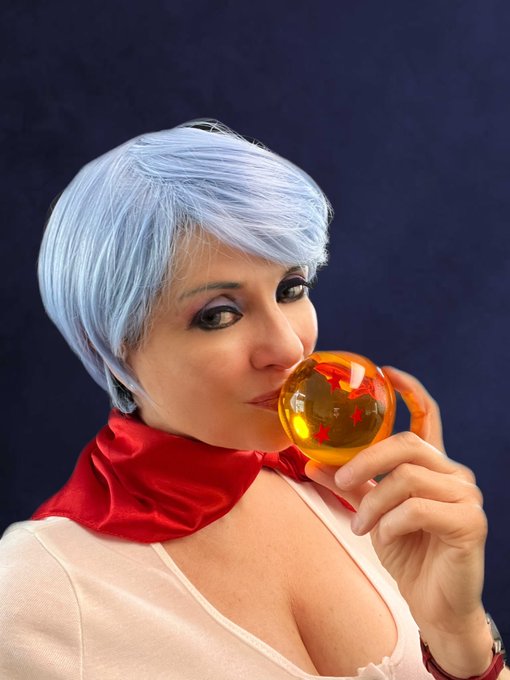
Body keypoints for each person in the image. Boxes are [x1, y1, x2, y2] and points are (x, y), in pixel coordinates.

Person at [0, 120, 507, 680]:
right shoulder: (37, 590)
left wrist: (460, 638)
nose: (288, 348)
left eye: (291, 289)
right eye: (219, 314)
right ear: (112, 344)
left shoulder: (362, 498)